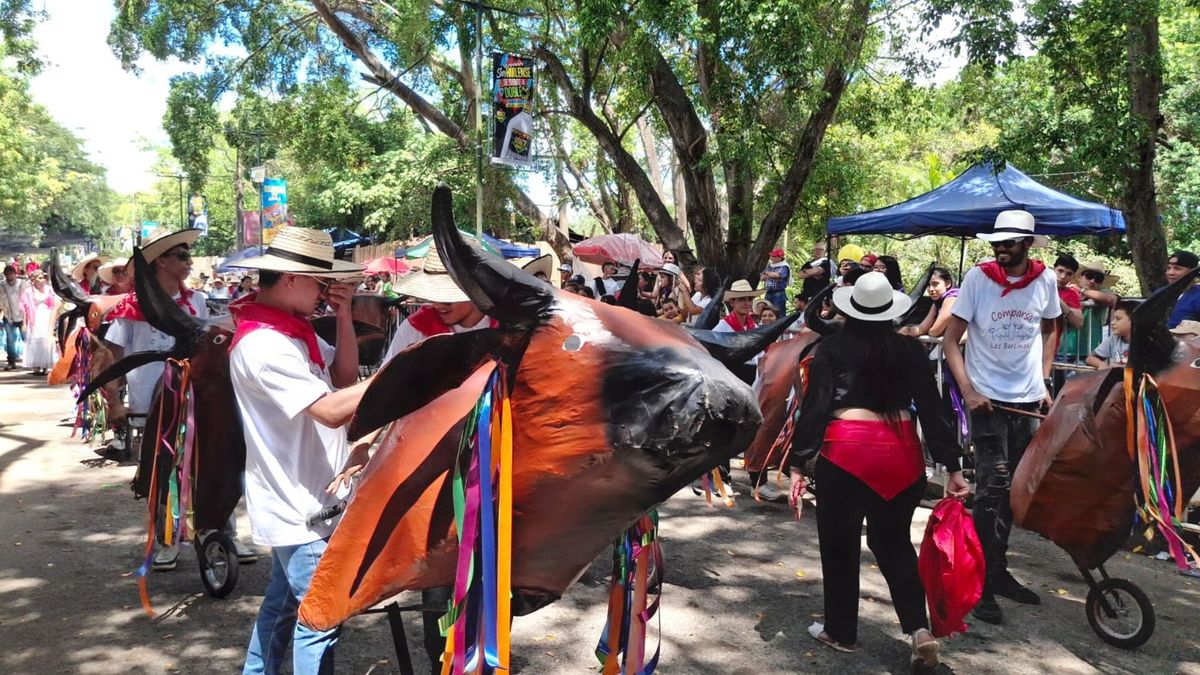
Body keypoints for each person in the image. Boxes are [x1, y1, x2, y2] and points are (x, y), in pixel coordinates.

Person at [789, 271, 968, 666]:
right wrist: (954, 467)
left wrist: (798, 463)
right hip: (903, 454)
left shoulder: (831, 349)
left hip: (848, 452)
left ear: (850, 311)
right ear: (890, 311)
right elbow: (935, 411)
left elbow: (816, 407)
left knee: (839, 546)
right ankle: (919, 632)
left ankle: (841, 631)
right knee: (894, 544)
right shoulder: (910, 351)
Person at [225, 226, 372, 675]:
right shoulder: (266, 345)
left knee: (283, 608)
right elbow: (331, 411)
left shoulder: (291, 333)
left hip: (309, 496)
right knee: (320, 620)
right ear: (290, 279)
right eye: (319, 281)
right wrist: (401, 372)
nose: (325, 291)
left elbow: (343, 377)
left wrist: (344, 317)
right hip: (299, 506)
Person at [105, 229, 253, 565]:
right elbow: (112, 357)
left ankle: (224, 535)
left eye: (188, 255)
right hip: (153, 403)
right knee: (160, 469)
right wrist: (115, 401)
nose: (189, 261)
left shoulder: (197, 301)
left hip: (201, 402)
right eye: (182, 256)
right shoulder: (129, 308)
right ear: (160, 262)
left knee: (217, 465)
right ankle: (167, 540)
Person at [941, 210, 1059, 625]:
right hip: (987, 400)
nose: (1000, 248)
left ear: (1028, 243)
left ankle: (998, 570)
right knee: (994, 488)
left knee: (1015, 490)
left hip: (1026, 401)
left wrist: (1044, 379)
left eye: (1008, 242)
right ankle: (982, 584)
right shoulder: (978, 278)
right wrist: (969, 390)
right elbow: (950, 342)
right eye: (997, 242)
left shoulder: (1045, 280)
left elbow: (1050, 328)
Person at [19, 270, 58, 375]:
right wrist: (25, 323)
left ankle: (46, 365)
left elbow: (55, 306)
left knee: (46, 340)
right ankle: (36, 365)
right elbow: (24, 308)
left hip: (47, 317)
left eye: (43, 278)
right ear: (33, 280)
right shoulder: (28, 292)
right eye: (40, 278)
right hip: (35, 319)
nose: (42, 280)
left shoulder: (49, 290)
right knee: (35, 340)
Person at [1086, 299, 1137, 369]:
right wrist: (1101, 364)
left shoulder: (1144, 342)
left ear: (1133, 320)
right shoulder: (1114, 339)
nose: (1112, 323)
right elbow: (1090, 358)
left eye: (1118, 319)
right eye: (1113, 319)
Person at [1, 264, 29, 370]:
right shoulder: (2, 286)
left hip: (23, 316)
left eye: (11, 274)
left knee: (26, 338)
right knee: (10, 340)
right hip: (9, 316)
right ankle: (11, 362)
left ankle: (32, 361)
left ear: (15, 274)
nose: (9, 276)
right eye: (7, 274)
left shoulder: (22, 284)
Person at [1165, 250, 1199, 328]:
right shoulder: (1160, 294)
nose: (1170, 272)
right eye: (1168, 268)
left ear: (1192, 272)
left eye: (1177, 269)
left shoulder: (1198, 296)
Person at [761, 248, 791, 314]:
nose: (771, 257)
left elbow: (778, 275)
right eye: (772, 256)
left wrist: (767, 273)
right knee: (767, 311)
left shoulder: (784, 266)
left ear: (780, 257)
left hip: (778, 293)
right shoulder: (770, 266)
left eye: (774, 256)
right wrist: (769, 275)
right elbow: (762, 277)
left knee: (778, 312)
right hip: (768, 292)